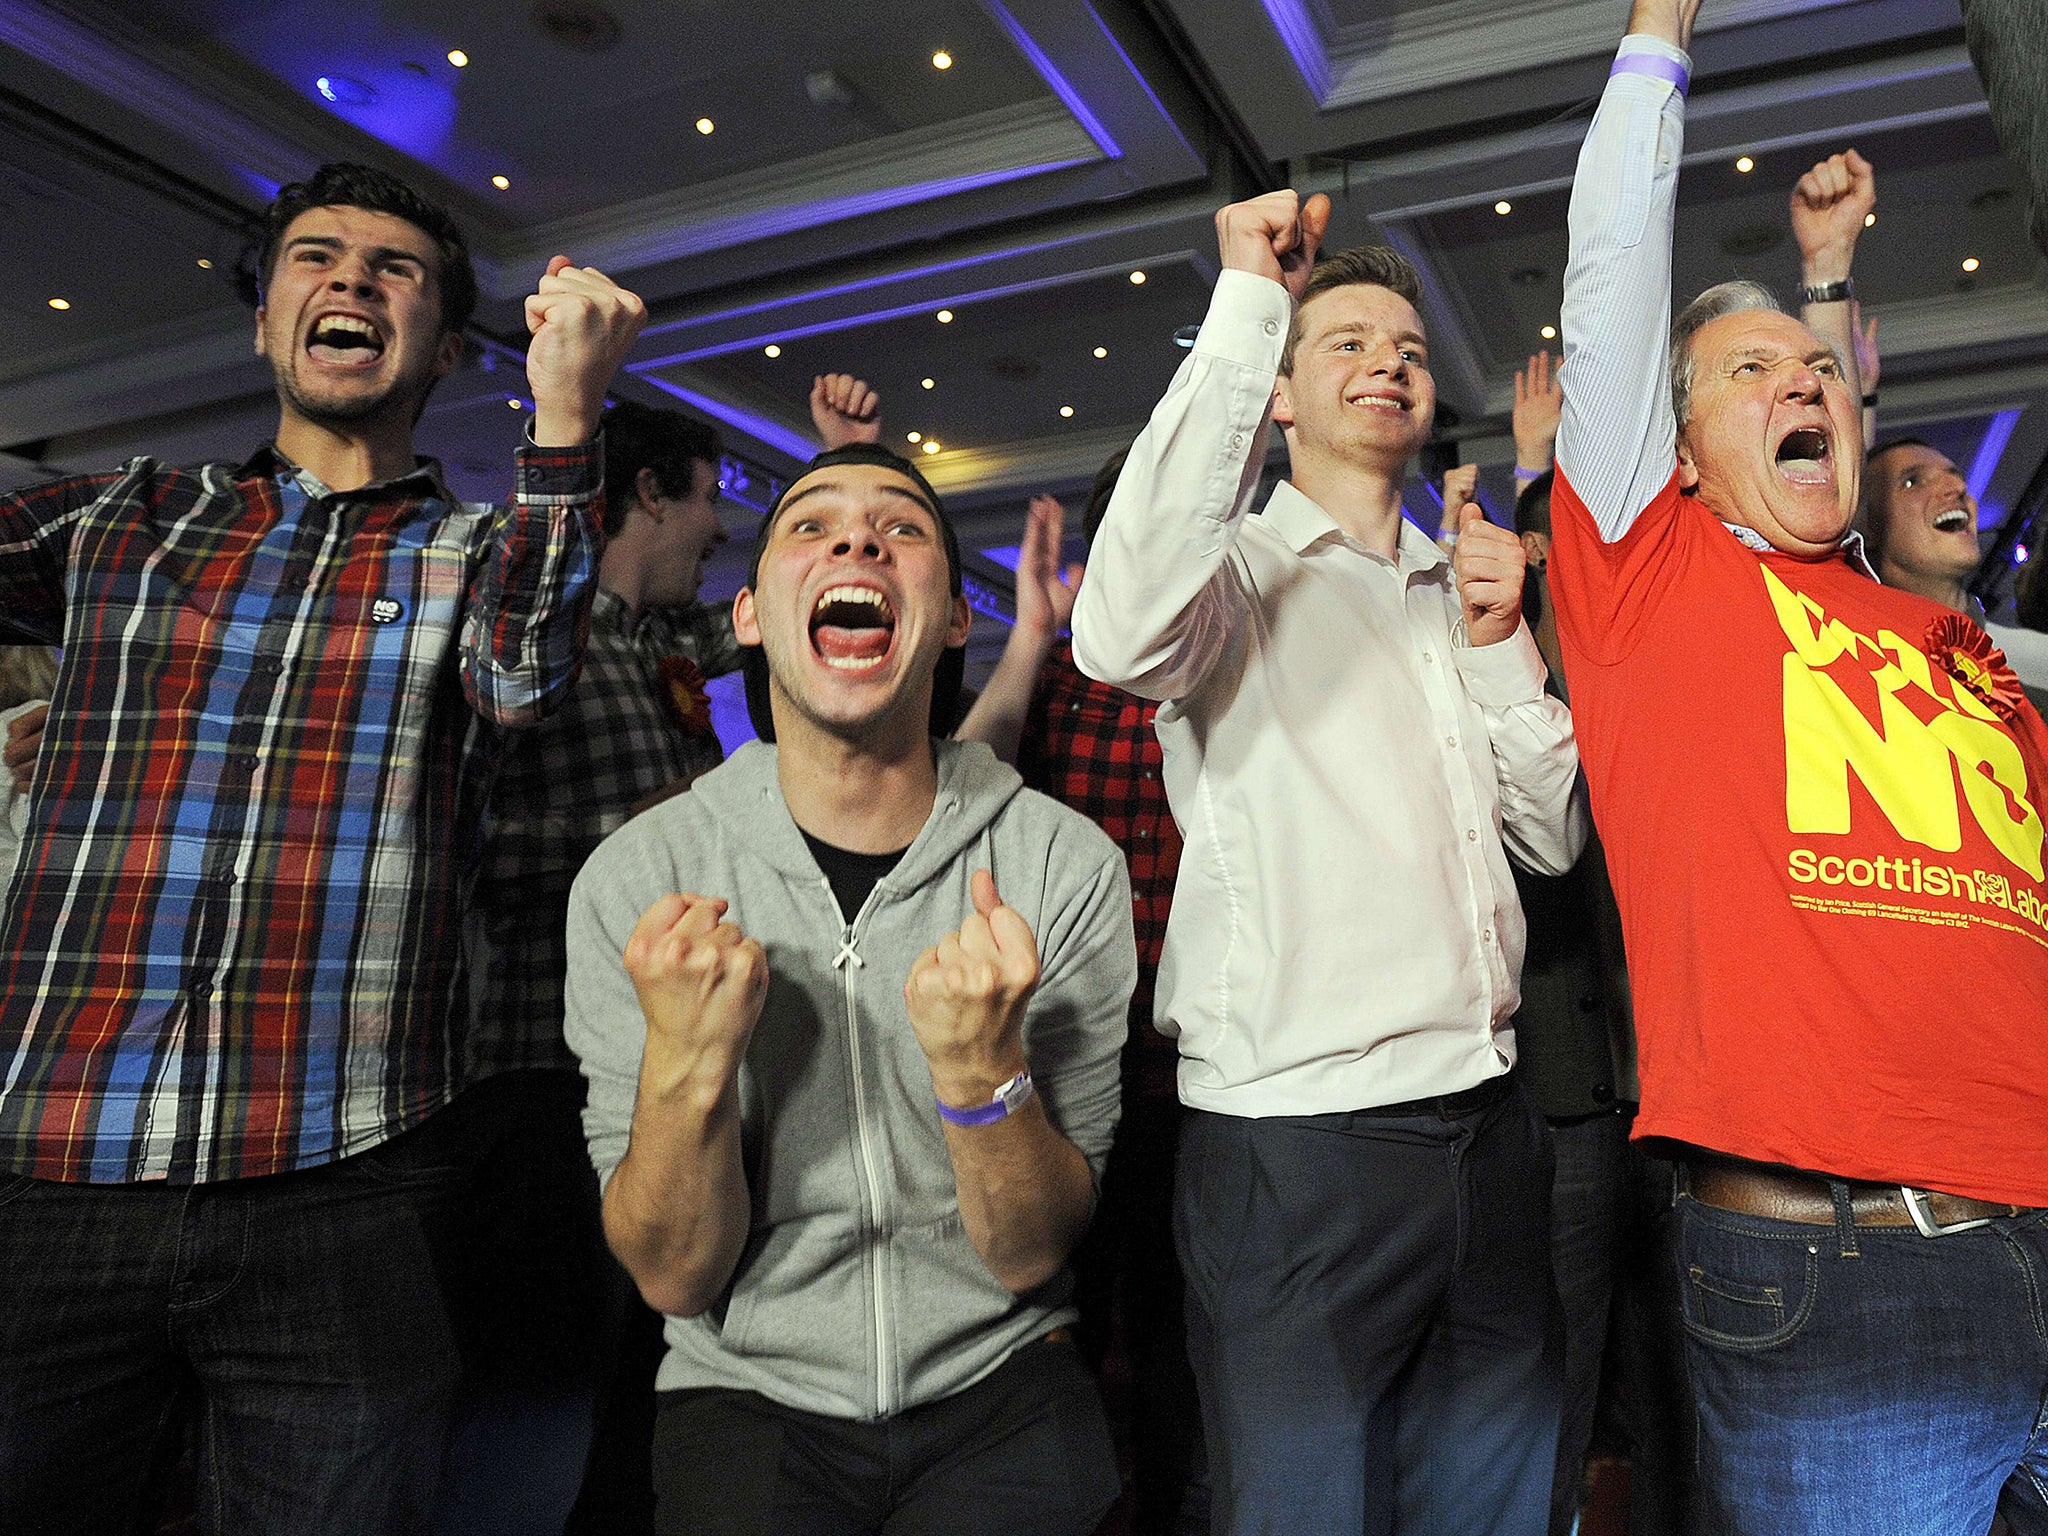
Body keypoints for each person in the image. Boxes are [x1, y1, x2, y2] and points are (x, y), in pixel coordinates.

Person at [0, 161, 644, 1535]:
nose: (350, 278)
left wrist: (568, 412)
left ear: (448, 347)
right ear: (265, 318)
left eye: (393, 268)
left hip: (346, 1178)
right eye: (316, 256)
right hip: (52, 1160)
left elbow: (527, 676)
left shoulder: (478, 551)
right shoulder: (122, 515)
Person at [1551, 4, 2048, 1531]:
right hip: (1838, 1278)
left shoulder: (1960, 656)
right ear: (1678, 456)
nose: (1808, 384)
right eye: (1754, 370)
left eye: (1820, 369)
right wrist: (1656, 38)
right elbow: (1617, 284)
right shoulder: (1657, 590)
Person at [1071, 193, 1585, 1533]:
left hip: (1489, 1126)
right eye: (1346, 341)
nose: (1390, 362)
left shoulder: (1448, 586)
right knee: (1301, 1511)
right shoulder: (1234, 577)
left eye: (1410, 347)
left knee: (1495, 1505)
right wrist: (1248, 302)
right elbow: (1116, 634)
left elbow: (1549, 834)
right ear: (1282, 399)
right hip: (1299, 1148)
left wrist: (1500, 641)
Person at [564, 442, 1133, 1536]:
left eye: (902, 528)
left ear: (956, 620)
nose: (858, 540)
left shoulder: (1060, 865)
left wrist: (981, 1074)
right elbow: (675, 1277)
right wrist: (687, 1067)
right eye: (810, 525)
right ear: (745, 615)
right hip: (742, 1393)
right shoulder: (641, 880)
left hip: (1003, 1380)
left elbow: (1030, 1250)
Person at [437, 398, 737, 1535]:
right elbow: (466, 849)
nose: (718, 529)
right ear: (651, 494)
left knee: (631, 1385)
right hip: (534, 1076)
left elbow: (766, 626)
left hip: (655, 1076)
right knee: (531, 1389)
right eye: (707, 499)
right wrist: (643, 831)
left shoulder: (652, 641)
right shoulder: (535, 644)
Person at [956, 455, 1208, 1535]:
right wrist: (1026, 637)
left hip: (1200, 1086)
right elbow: (958, 786)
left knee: (1175, 1349)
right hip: (1063, 1083)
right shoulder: (1056, 690)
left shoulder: (1229, 682)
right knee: (1044, 1331)